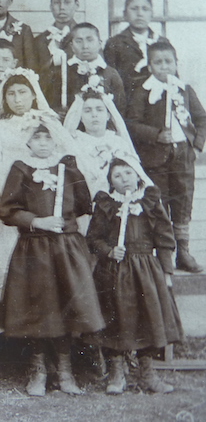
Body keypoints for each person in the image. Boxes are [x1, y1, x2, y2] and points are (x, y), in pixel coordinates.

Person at [0, 116, 104, 397]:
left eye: (48, 138)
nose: (43, 144)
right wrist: (37, 220)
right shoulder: (21, 169)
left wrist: (73, 171)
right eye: (37, 138)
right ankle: (38, 368)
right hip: (34, 246)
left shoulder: (66, 166)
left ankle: (65, 369)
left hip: (66, 247)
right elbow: (8, 210)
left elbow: (84, 204)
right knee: (38, 306)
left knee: (65, 304)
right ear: (28, 142)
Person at [86, 156, 181, 395]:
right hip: (114, 271)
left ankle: (147, 374)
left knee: (147, 317)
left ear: (138, 175)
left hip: (146, 268)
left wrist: (167, 270)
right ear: (110, 181)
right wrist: (109, 251)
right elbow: (93, 239)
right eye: (116, 176)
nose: (123, 179)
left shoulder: (149, 202)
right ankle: (117, 373)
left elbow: (165, 238)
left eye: (128, 173)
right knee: (115, 318)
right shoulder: (107, 205)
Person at [126, 40, 206, 273]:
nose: (164, 67)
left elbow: (201, 119)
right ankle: (164, 254)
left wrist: (197, 145)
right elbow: (132, 123)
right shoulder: (143, 92)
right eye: (158, 62)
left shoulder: (185, 90)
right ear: (149, 66)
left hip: (183, 158)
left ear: (176, 63)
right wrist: (157, 135)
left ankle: (184, 252)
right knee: (159, 204)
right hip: (155, 158)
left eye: (168, 62)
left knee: (182, 203)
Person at [0, 68, 55, 300]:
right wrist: (15, 199)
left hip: (44, 204)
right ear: (4, 98)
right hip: (10, 203)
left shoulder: (46, 124)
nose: (17, 99)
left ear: (33, 94)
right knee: (7, 260)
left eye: (23, 92)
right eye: (11, 94)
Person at [64, 84, 136, 199]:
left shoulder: (118, 142)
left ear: (108, 115)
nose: (94, 115)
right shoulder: (75, 143)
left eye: (99, 109)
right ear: (80, 117)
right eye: (87, 111)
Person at [41, 23, 125, 116]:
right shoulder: (60, 73)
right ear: (72, 46)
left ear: (99, 44)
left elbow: (120, 109)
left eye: (90, 40)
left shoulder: (110, 73)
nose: (85, 46)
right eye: (79, 41)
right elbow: (50, 105)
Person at [103, 0, 160, 101]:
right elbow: (110, 79)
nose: (140, 13)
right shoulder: (114, 43)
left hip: (157, 104)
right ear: (125, 14)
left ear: (152, 14)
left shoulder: (161, 42)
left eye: (145, 9)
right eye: (134, 9)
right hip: (128, 103)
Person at [33, 0, 79, 73]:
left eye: (67, 2)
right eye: (57, 2)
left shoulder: (87, 37)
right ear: (51, 6)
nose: (62, 7)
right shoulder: (39, 41)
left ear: (76, 5)